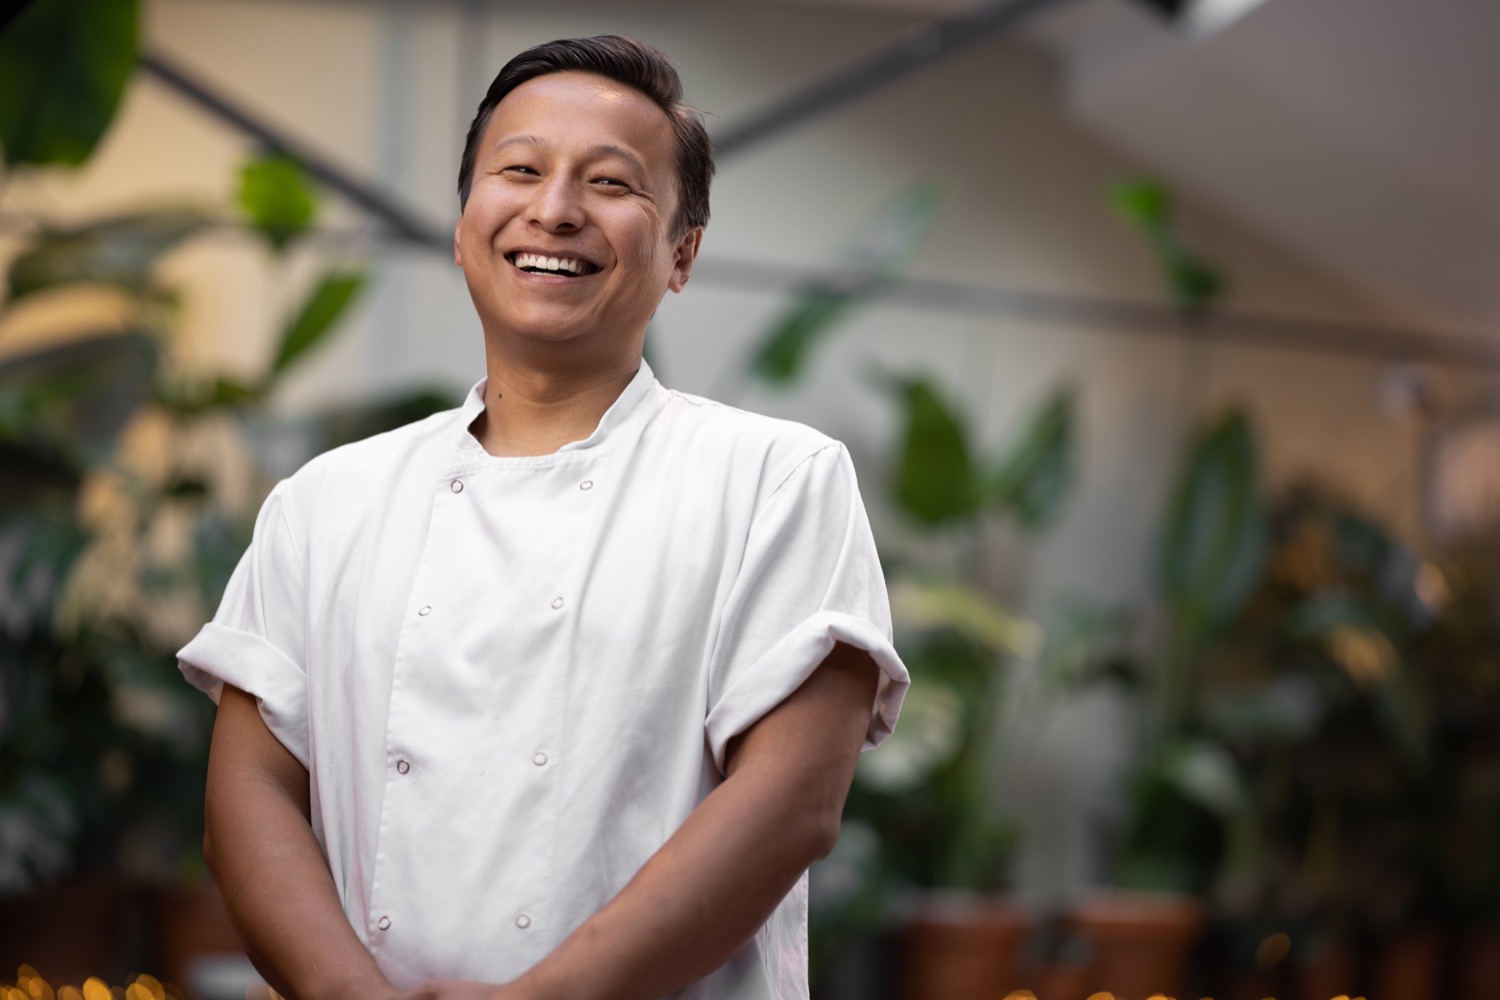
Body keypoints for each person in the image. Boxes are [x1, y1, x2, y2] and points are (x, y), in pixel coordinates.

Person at [179, 34, 907, 1000]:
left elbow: (792, 803)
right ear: (464, 221)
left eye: (611, 184)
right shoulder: (326, 501)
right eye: (518, 170)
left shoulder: (775, 479)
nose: (554, 210)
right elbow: (248, 795)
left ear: (682, 252)